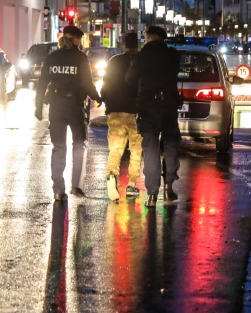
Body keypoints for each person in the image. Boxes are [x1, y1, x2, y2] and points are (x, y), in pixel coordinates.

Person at [35, 25, 102, 201]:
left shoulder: (52, 57)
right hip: (74, 106)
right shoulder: (80, 58)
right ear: (75, 40)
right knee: (79, 144)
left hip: (56, 107)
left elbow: (42, 82)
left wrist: (38, 105)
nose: (80, 43)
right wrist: (98, 97)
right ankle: (76, 185)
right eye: (79, 39)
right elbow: (87, 84)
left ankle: (58, 189)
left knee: (58, 147)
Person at [125, 26, 181, 208]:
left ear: (150, 37)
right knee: (171, 143)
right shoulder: (172, 55)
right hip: (169, 106)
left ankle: (152, 193)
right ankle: (169, 184)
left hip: (149, 106)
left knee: (150, 148)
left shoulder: (142, 56)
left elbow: (129, 79)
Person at [100, 32, 142, 202]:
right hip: (136, 113)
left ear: (124, 44)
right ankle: (132, 184)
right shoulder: (142, 62)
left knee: (116, 149)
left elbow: (105, 85)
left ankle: (111, 174)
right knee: (136, 149)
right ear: (138, 44)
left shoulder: (114, 61)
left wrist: (104, 101)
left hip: (116, 111)